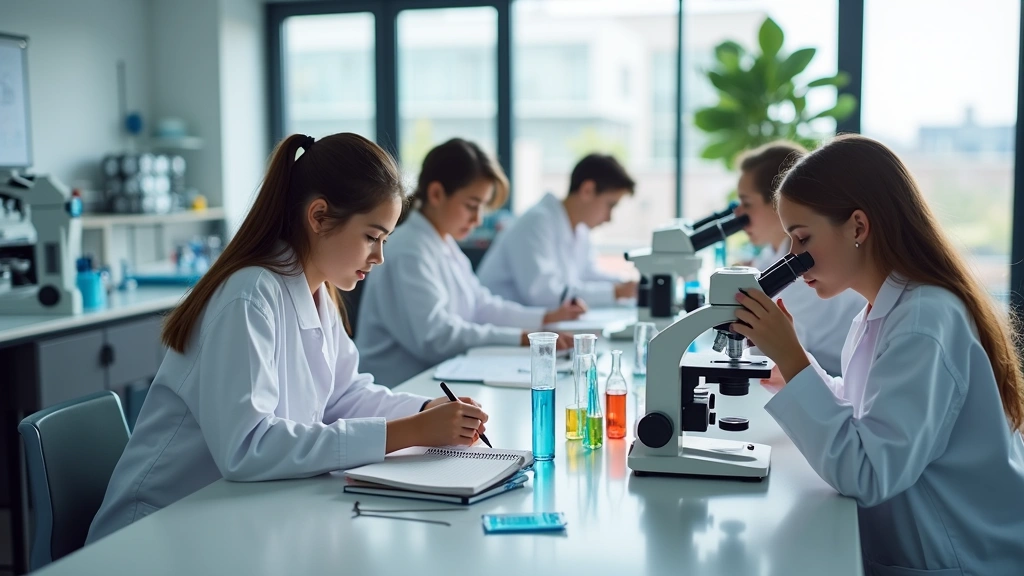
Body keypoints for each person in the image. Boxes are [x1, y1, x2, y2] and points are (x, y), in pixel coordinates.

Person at [88, 134, 489, 543]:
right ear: (318, 216)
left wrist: (426, 408)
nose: (379, 256)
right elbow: (247, 447)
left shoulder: (316, 290)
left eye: (384, 240)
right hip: (153, 533)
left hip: (232, 516)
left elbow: (344, 396)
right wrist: (410, 432)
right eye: (372, 237)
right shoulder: (250, 294)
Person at [732, 134, 1024, 574]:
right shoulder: (886, 307)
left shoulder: (924, 320)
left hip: (958, 560)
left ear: (858, 227)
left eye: (802, 238)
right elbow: (864, 410)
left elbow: (869, 473)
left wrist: (795, 361)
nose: (791, 258)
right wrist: (796, 367)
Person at [356, 139, 578, 387]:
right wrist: (523, 338)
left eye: (482, 207)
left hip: (437, 381)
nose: (477, 219)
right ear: (436, 193)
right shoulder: (409, 250)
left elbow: (481, 306)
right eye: (472, 206)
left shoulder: (443, 243)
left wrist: (545, 319)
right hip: (403, 389)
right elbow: (437, 338)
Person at [733, 141, 864, 375]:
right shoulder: (773, 256)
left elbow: (784, 356)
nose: (737, 214)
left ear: (777, 203)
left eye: (747, 203)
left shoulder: (810, 272)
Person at [476, 153, 638, 308]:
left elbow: (587, 275)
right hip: (504, 330)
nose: (609, 218)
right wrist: (615, 292)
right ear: (587, 190)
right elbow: (543, 294)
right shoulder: (536, 223)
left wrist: (627, 285)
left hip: (535, 327)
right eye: (610, 205)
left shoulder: (580, 230)